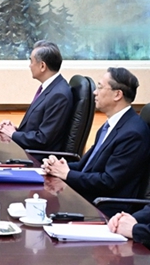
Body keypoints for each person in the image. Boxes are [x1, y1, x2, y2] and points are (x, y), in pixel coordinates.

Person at [42, 67, 150, 217]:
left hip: (106, 209)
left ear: (117, 94)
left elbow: (108, 181)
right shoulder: (109, 126)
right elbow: (86, 166)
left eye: (100, 87)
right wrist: (59, 166)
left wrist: (67, 174)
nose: (95, 92)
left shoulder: (133, 133)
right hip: (88, 198)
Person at [0, 40, 74, 151]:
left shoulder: (59, 95)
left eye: (31, 61)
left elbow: (43, 139)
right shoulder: (51, 88)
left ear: (42, 66)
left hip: (38, 159)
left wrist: (13, 134)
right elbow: (38, 129)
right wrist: (13, 130)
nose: (29, 66)